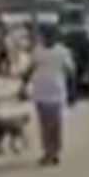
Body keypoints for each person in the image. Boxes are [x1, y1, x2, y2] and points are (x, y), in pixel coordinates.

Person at [20, 26, 77, 166]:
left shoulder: (63, 52)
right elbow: (30, 70)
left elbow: (71, 73)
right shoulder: (37, 52)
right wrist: (22, 87)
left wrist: (72, 91)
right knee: (45, 125)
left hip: (57, 93)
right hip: (40, 93)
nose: (47, 39)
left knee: (56, 125)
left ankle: (55, 151)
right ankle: (47, 152)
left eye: (49, 36)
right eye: (45, 36)